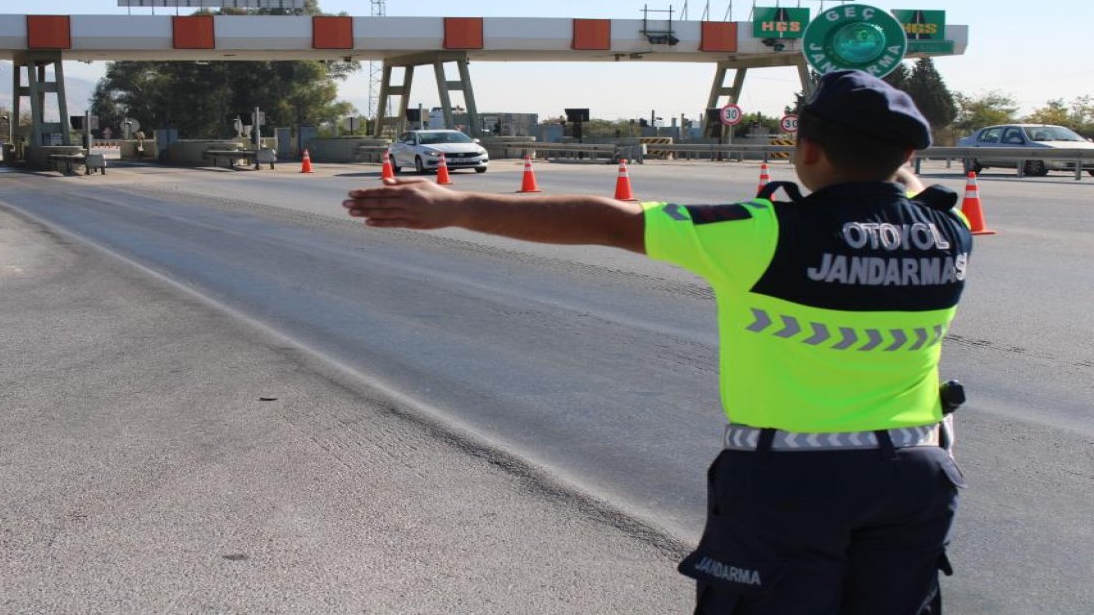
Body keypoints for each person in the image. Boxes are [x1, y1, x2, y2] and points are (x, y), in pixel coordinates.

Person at [342, 70, 972, 614]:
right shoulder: (949, 230)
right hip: (918, 478)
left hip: (792, 486)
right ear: (905, 154)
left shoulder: (766, 233)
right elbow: (901, 184)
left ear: (806, 149)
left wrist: (456, 206)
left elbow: (609, 221)